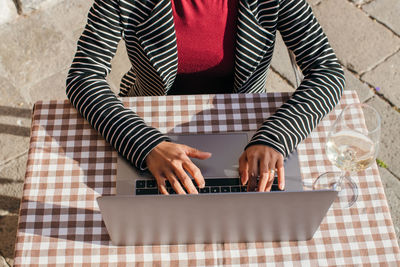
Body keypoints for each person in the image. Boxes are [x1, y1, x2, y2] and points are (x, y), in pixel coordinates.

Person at [66, 0, 345, 195]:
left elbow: (327, 70)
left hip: (247, 127)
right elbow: (83, 77)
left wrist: (276, 137)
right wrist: (146, 145)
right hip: (148, 122)